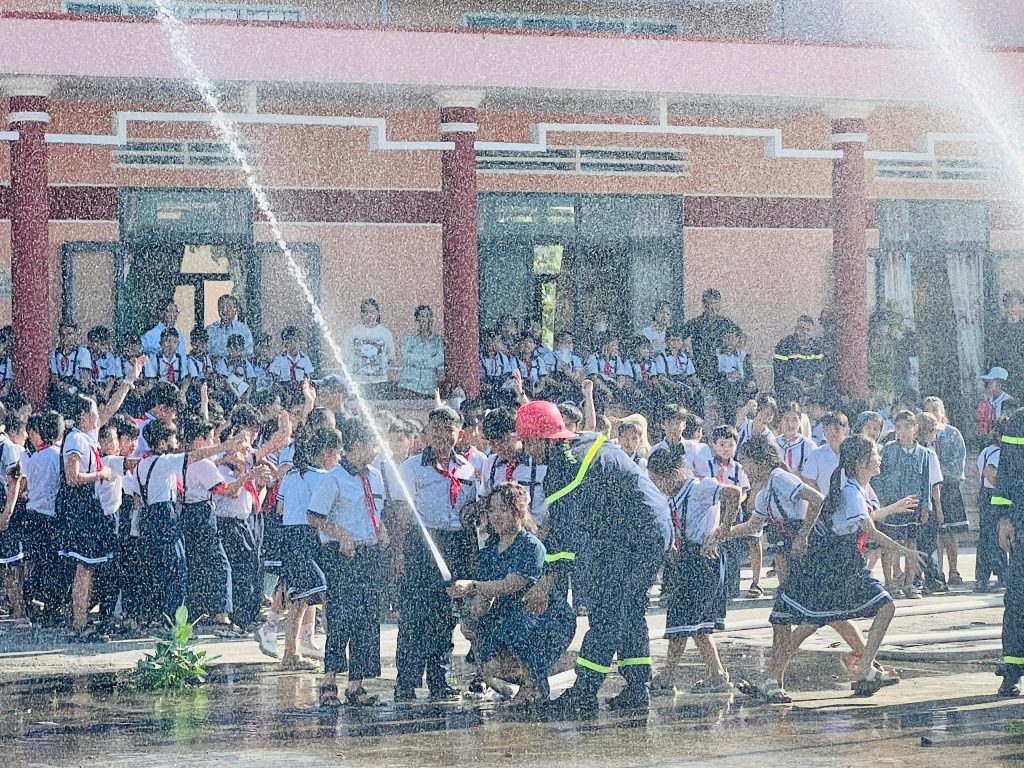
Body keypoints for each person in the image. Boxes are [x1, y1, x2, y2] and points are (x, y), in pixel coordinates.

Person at [516, 400, 672, 718]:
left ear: (542, 439)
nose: (527, 451)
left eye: (528, 443)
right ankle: (637, 687)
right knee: (629, 610)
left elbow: (563, 535)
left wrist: (544, 583)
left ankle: (584, 693)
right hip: (651, 529)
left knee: (606, 613)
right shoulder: (585, 443)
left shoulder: (564, 466)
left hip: (630, 537)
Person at [736, 435, 922, 703]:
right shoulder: (773, 487)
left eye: (745, 462)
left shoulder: (782, 479)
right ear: (861, 462)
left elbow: (851, 515)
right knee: (807, 618)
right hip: (823, 558)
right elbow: (754, 525)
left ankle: (778, 677)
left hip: (821, 556)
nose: (744, 468)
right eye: (875, 454)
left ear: (760, 460)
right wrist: (721, 534)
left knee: (811, 618)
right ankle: (862, 668)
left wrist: (803, 536)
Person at [448, 483, 575, 708]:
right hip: (513, 618)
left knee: (516, 628)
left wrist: (473, 585)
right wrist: (468, 617)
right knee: (490, 664)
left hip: (546, 618)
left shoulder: (531, 546)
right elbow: (484, 599)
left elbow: (511, 585)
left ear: (519, 512)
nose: (496, 515)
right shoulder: (489, 552)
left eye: (503, 509)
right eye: (492, 510)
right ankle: (521, 683)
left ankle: (533, 686)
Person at [395, 406, 479, 702]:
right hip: (422, 544)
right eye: (436, 429)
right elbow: (402, 514)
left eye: (448, 430)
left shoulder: (467, 469)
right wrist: (399, 552)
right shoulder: (412, 467)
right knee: (415, 616)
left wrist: (473, 509)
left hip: (455, 544)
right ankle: (406, 682)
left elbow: (472, 508)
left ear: (460, 434)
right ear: (427, 433)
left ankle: (439, 680)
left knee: (445, 617)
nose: (442, 436)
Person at [308, 418, 390, 706]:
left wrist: (381, 529)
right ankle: (329, 682)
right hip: (342, 556)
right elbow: (314, 516)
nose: (376, 449)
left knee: (367, 619)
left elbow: (373, 510)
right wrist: (341, 534)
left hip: (368, 553)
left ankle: (356, 684)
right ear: (355, 445)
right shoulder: (333, 479)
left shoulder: (375, 476)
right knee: (341, 617)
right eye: (372, 444)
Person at [647, 447, 742, 695]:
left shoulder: (700, 488)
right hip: (685, 562)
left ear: (674, 474)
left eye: (657, 479)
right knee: (699, 624)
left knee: (680, 619)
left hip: (704, 561)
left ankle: (667, 676)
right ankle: (717, 675)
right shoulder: (670, 498)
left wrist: (722, 530)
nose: (656, 485)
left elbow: (734, 494)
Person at [875, 411, 933, 599]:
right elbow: (879, 477)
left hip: (913, 505)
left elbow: (926, 481)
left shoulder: (923, 453)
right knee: (889, 544)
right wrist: (881, 503)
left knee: (911, 543)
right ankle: (890, 582)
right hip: (892, 504)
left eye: (908, 426)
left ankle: (909, 582)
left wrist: (926, 506)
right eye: (899, 427)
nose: (903, 431)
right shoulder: (888, 450)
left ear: (916, 428)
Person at [23, 411, 67, 622]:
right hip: (50, 517)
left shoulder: (34, 458)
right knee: (53, 564)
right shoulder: (57, 457)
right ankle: (50, 608)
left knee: (39, 561)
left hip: (33, 515)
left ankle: (30, 599)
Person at [992, 406, 1024, 696]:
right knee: (1018, 599)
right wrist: (1004, 518)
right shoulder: (1019, 421)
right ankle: (1012, 672)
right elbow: (1007, 471)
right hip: (1022, 521)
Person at [922, 396, 968, 587]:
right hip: (929, 490)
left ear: (943, 412)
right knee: (936, 533)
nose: (933, 412)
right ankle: (937, 572)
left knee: (950, 532)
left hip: (949, 488)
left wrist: (940, 474)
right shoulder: (921, 436)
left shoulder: (953, 434)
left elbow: (958, 462)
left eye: (936, 409)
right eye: (928, 409)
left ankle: (953, 570)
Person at [480, 407, 548, 528]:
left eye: (502, 441)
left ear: (517, 434)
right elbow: (484, 498)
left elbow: (549, 504)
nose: (498, 447)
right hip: (500, 533)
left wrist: (541, 529)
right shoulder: (490, 464)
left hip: (534, 531)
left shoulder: (538, 462)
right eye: (492, 443)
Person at [681, 288, 741, 386]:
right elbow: (679, 336)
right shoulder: (695, 323)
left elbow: (740, 337)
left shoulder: (725, 323)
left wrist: (731, 346)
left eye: (715, 303)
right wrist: (685, 349)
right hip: (700, 364)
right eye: (708, 304)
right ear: (704, 305)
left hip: (721, 365)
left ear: (719, 305)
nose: (711, 307)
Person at [342, 298, 397, 399]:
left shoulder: (385, 333)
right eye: (365, 312)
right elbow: (344, 358)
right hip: (358, 382)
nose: (369, 315)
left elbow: (391, 358)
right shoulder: (353, 333)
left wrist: (390, 380)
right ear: (361, 314)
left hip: (380, 382)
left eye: (372, 312)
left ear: (377, 313)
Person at [977, 420, 1008, 592]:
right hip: (994, 498)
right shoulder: (998, 452)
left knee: (986, 538)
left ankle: (983, 577)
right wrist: (1005, 489)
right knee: (997, 538)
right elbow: (989, 472)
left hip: (986, 497)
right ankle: (1001, 575)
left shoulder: (986, 451)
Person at [772, 316, 825, 405]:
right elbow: (781, 371)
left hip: (809, 384)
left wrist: (817, 380)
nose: (804, 332)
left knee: (824, 393)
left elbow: (820, 367)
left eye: (808, 330)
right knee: (791, 392)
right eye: (802, 329)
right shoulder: (785, 345)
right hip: (789, 385)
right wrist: (799, 383)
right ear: (796, 329)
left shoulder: (817, 346)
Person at [398, 305, 445, 398]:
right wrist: (424, 359)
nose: (424, 320)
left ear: (430, 320)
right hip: (409, 385)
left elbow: (440, 358)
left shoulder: (437, 340)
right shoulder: (410, 339)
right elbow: (405, 357)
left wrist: (423, 363)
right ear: (417, 320)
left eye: (427, 316)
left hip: (428, 386)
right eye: (421, 316)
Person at [801, 412, 851, 496]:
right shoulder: (816, 454)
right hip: (825, 500)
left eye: (836, 429)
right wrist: (821, 499)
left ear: (846, 431)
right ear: (823, 432)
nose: (832, 434)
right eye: (827, 430)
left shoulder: (854, 454)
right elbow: (809, 480)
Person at [48, 321, 92, 415]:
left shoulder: (83, 352)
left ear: (76, 334)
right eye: (62, 335)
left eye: (70, 334)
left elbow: (84, 381)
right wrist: (64, 387)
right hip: (61, 391)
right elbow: (54, 379)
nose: (66, 338)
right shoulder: (55, 353)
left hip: (78, 391)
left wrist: (76, 392)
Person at [986, 290, 1024, 393]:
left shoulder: (1022, 329)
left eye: (1013, 305)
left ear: (1021, 307)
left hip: (1020, 376)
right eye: (1007, 305)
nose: (1010, 309)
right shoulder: (999, 330)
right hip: (1004, 377)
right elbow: (995, 355)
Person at [716, 331, 757, 426]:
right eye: (727, 338)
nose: (729, 341)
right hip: (724, 384)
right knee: (729, 393)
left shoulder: (742, 355)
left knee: (751, 390)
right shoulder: (717, 355)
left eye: (732, 338)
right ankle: (731, 424)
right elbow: (714, 375)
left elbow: (750, 373)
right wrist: (727, 376)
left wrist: (748, 380)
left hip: (740, 383)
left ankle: (748, 423)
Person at [269, 326, 315, 398]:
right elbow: (276, 382)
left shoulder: (305, 359)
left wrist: (304, 391)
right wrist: (285, 395)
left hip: (302, 390)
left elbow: (308, 379)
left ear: (300, 343)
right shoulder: (279, 360)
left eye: (296, 341)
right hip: (285, 390)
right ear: (284, 344)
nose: (293, 344)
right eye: (290, 342)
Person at [206, 294, 253, 360]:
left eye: (228, 307)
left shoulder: (243, 330)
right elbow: (204, 353)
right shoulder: (210, 330)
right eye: (221, 307)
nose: (224, 311)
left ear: (235, 309)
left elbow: (249, 354)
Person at [978, 367, 1014, 440]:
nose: (988, 386)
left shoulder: (1007, 400)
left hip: (999, 440)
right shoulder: (988, 399)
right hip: (986, 438)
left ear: (999, 385)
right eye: (988, 383)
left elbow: (1004, 423)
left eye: (991, 383)